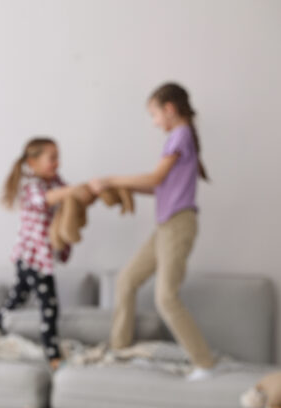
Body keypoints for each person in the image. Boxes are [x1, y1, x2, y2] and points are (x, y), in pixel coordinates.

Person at [88, 82, 216, 381]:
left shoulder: (180, 135)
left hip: (178, 225)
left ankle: (205, 363)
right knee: (126, 281)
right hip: (164, 227)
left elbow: (155, 176)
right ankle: (120, 348)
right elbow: (159, 186)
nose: (155, 121)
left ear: (169, 109)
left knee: (166, 297)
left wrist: (109, 180)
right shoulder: (180, 137)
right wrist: (118, 186)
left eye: (155, 114)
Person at [0, 138, 93, 370]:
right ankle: (53, 356)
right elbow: (47, 200)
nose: (57, 163)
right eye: (52, 158)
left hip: (39, 257)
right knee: (49, 305)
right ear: (33, 162)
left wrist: (89, 191)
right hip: (32, 257)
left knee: (17, 298)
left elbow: (71, 197)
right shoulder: (31, 186)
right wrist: (75, 190)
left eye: (58, 157)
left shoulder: (55, 181)